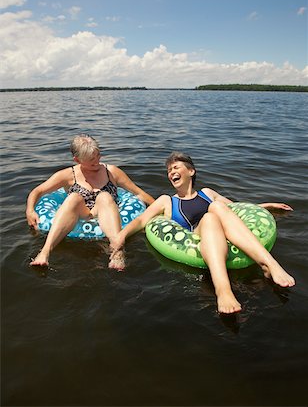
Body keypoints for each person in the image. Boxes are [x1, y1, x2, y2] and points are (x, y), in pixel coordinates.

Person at [111, 151, 295, 314]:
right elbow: (142, 220)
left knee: (217, 206)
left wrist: (266, 207)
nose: (171, 172)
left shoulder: (207, 193)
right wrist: (121, 236)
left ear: (191, 171)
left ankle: (269, 264)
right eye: (169, 171)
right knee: (209, 217)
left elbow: (235, 208)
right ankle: (223, 290)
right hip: (200, 236)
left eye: (176, 167)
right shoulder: (166, 201)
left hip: (223, 232)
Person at [26, 134, 155, 268]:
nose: (97, 161)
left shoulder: (111, 172)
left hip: (106, 211)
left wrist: (159, 209)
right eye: (91, 159)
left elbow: (138, 192)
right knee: (74, 197)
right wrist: (30, 210)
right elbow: (37, 191)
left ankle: (117, 252)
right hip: (81, 212)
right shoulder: (67, 175)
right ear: (77, 159)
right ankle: (45, 252)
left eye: (98, 155)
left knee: (104, 196)